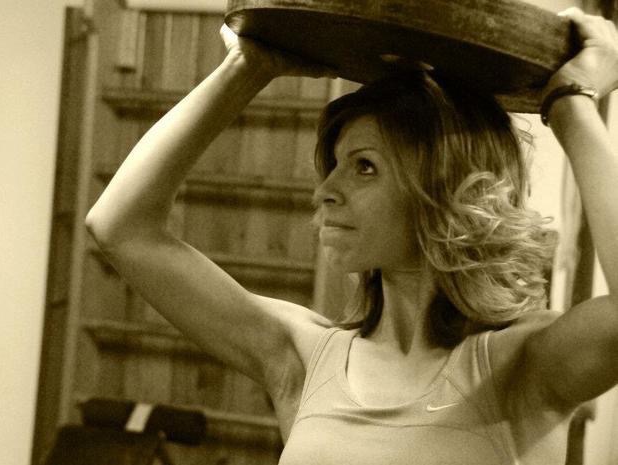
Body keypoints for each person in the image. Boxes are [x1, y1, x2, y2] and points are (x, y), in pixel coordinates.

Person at [85, 6, 618, 464]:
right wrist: (247, 67)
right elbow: (121, 228)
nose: (325, 191)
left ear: (444, 189)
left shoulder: (521, 367)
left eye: (364, 167)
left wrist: (570, 103)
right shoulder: (301, 358)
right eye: (334, 165)